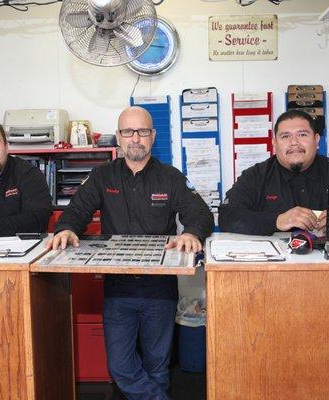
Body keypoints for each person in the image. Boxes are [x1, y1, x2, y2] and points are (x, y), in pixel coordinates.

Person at [47, 106, 214, 400]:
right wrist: (67, 228)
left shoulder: (171, 177)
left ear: (153, 136)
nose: (136, 138)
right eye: (128, 131)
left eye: (143, 131)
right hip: (118, 288)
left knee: (157, 366)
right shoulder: (101, 176)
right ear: (118, 137)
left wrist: (191, 232)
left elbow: (200, 213)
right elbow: (77, 210)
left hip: (160, 288)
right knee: (121, 367)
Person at [219, 109, 329, 235]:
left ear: (316, 140)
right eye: (285, 136)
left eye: (302, 135)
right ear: (274, 143)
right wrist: (277, 221)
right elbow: (227, 217)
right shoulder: (256, 176)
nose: (294, 142)